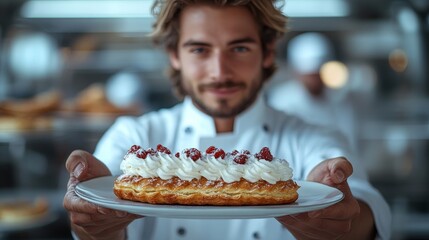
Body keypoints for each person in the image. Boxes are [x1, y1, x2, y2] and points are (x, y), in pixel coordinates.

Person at [63, 1, 391, 239]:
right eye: (200, 50)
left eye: (239, 49)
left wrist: (343, 222)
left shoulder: (312, 137)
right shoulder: (134, 135)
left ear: (267, 52)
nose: (220, 71)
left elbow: (363, 208)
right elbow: (92, 213)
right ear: (174, 54)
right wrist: (94, 226)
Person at [267, 32, 358, 151]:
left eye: (317, 75)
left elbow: (349, 137)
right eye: (309, 75)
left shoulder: (340, 98)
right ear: (297, 73)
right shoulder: (282, 100)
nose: (314, 80)